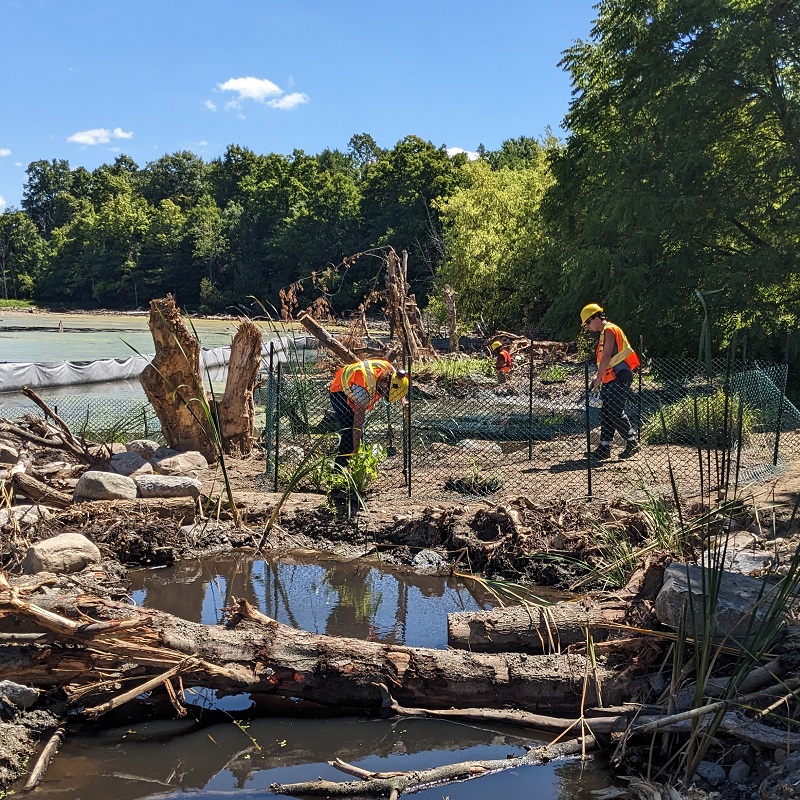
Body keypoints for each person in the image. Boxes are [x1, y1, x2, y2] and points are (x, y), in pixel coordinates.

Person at [580, 303, 641, 460]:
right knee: (607, 413)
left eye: (587, 322)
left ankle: (632, 441)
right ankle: (604, 447)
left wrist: (598, 378)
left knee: (614, 412)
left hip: (619, 376)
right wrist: (598, 377)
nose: (587, 327)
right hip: (613, 377)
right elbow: (605, 361)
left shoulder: (609, 330)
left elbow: (607, 356)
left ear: (595, 318)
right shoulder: (604, 333)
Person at [329, 359, 409, 468]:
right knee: (349, 432)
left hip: (354, 384)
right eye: (385, 392)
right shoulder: (364, 392)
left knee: (358, 436)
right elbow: (358, 424)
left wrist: (403, 400)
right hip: (339, 391)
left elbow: (399, 382)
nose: (383, 395)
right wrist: (356, 450)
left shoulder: (389, 370)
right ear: (385, 383)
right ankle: (339, 469)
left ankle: (354, 466)